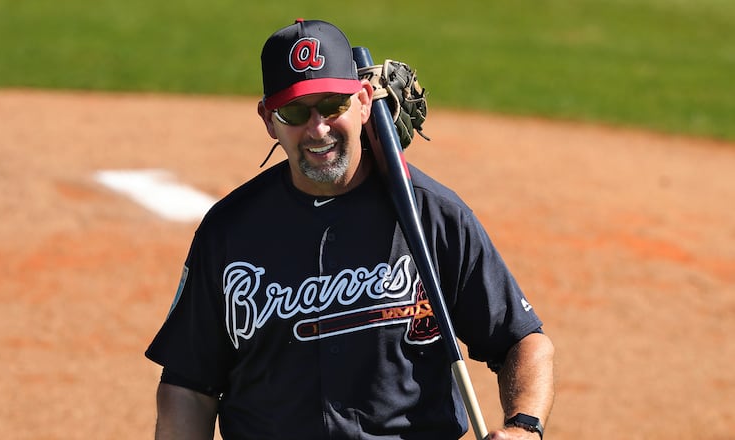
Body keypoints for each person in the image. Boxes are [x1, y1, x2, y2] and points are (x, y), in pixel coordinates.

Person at [145, 18, 555, 440]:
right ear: (269, 120)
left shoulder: (432, 214)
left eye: (332, 105)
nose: (317, 127)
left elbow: (521, 341)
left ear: (362, 102)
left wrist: (524, 427)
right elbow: (189, 386)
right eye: (295, 111)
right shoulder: (229, 231)